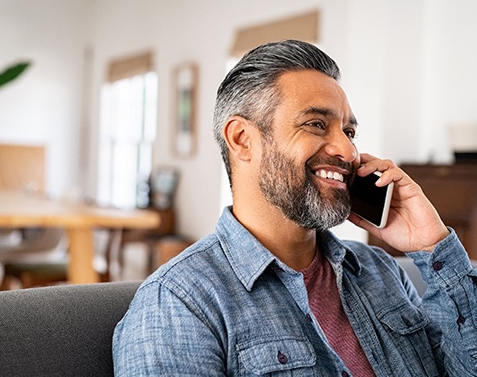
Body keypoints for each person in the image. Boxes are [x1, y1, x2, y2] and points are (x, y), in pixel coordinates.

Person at [113, 40, 477, 376]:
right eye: (316, 124)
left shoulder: (381, 272)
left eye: (349, 132)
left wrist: (433, 243)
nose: (348, 151)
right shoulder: (179, 304)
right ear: (242, 140)